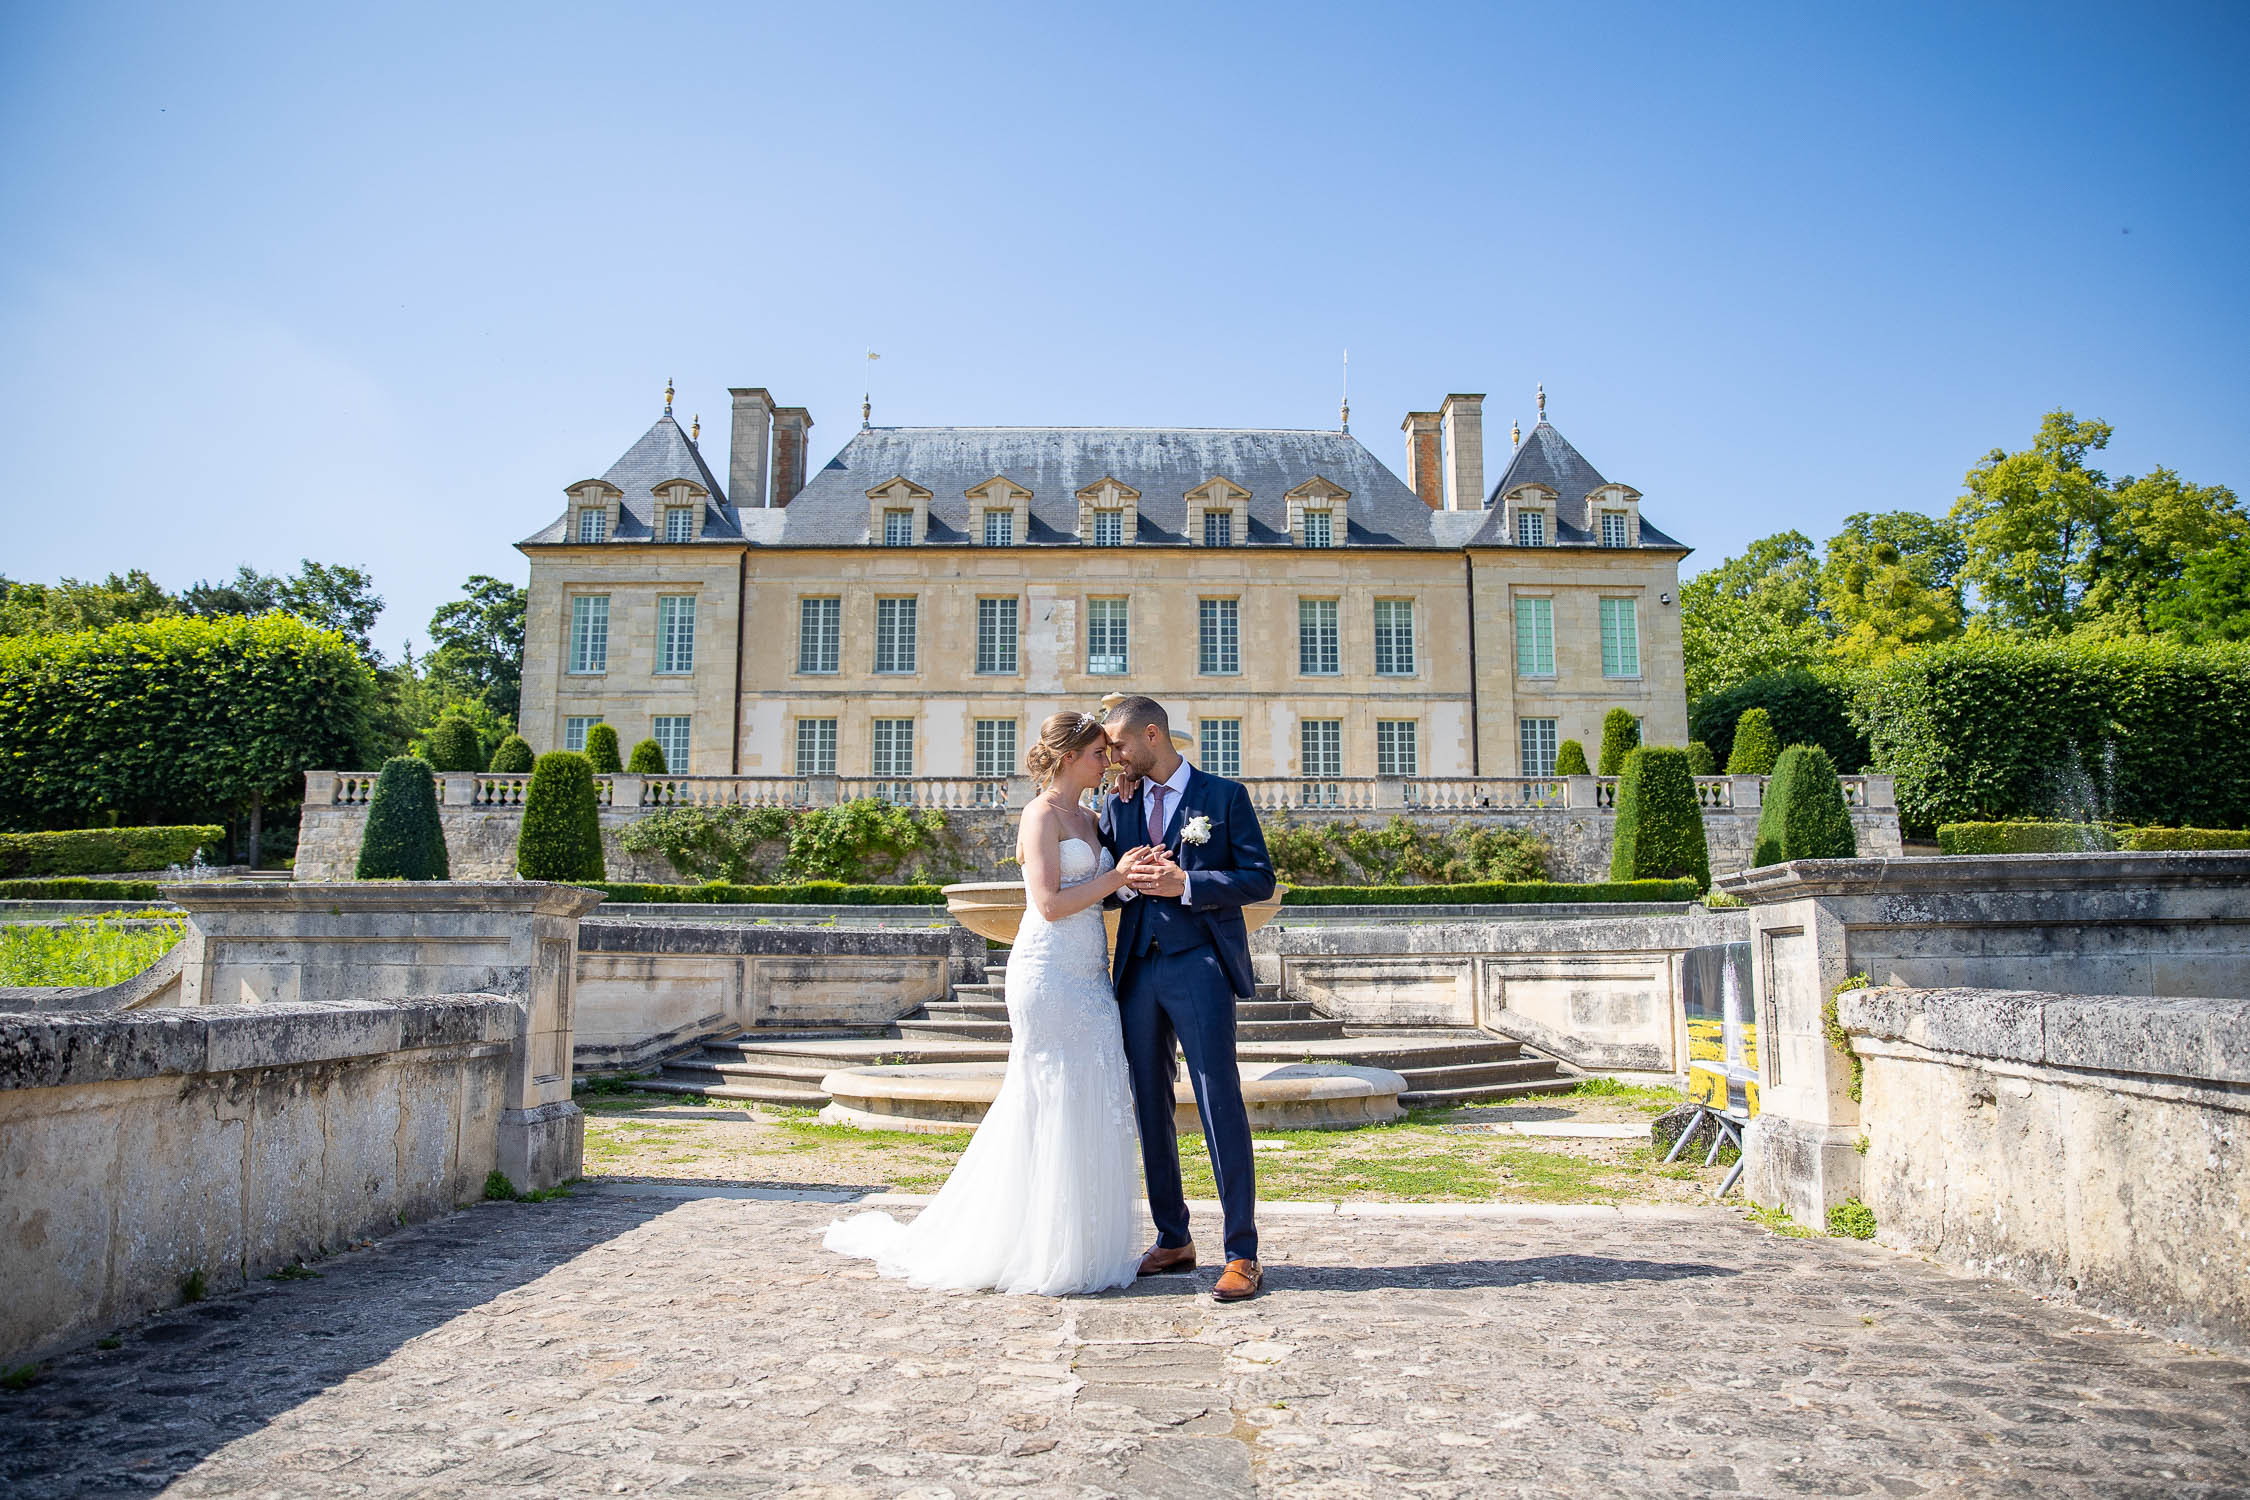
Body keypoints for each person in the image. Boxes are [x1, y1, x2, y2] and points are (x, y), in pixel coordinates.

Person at [822, 711, 1158, 1295]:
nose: (1107, 762)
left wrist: (1131, 878)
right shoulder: (1040, 815)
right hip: (1047, 972)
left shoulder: (1093, 817)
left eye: (1108, 753)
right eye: (1098, 754)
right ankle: (1027, 1245)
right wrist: (1116, 877)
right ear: (1068, 757)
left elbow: (1102, 892)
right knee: (1045, 1095)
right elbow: (1050, 904)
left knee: (1091, 1094)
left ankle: (1077, 1243)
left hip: (1087, 973)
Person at [1099, 695, 1277, 1302]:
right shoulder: (1115, 803)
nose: (1112, 757)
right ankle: (1173, 1236)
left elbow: (1258, 879)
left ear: (1153, 734)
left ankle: (1242, 1252)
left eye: (1120, 745)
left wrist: (1188, 882)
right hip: (1137, 969)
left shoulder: (1224, 797)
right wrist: (1125, 884)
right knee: (1149, 1104)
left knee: (1216, 1099)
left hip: (1200, 964)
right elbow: (1104, 885)